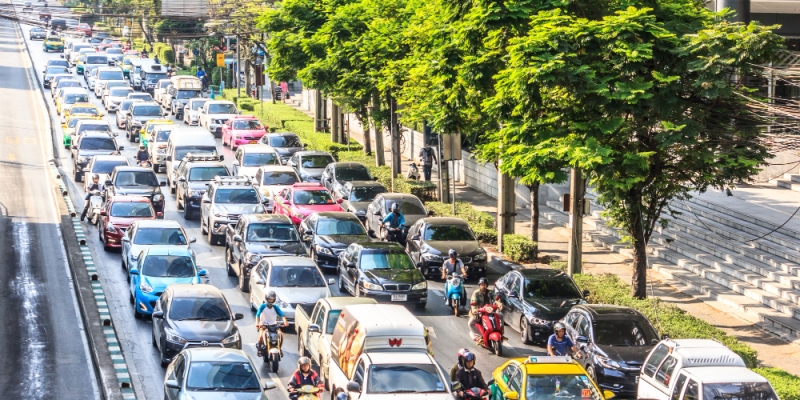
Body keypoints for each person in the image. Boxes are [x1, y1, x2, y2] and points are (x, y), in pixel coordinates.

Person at [468, 278, 502, 343]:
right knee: (470, 323)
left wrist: (499, 303)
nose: (483, 286)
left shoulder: (490, 292)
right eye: (482, 285)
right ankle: (479, 337)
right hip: (480, 312)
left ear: (487, 285)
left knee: (501, 316)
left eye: (484, 285)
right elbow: (473, 302)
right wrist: (475, 310)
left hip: (490, 311)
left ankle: (501, 332)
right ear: (479, 285)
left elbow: (496, 299)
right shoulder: (476, 293)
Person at [255, 291, 288, 357]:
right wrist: (257, 323)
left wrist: (285, 321)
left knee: (280, 334)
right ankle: (259, 349)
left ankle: (279, 348)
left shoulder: (275, 307)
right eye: (269, 299)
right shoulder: (262, 306)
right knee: (261, 335)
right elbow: (257, 315)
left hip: (273, 325)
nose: (271, 301)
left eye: (272, 299)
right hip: (263, 325)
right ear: (266, 299)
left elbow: (282, 315)